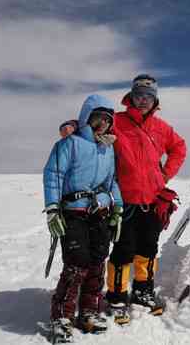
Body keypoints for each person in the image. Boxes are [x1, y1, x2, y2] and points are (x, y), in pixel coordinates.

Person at [59, 74, 187, 325]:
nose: (143, 101)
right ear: (131, 97)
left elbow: (179, 148)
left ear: (155, 100)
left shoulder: (162, 128)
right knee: (123, 250)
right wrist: (72, 125)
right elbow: (93, 123)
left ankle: (142, 293)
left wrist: (164, 174)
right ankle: (116, 297)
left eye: (148, 97)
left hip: (152, 200)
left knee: (148, 249)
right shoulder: (117, 121)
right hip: (123, 201)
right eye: (138, 95)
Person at [43, 94, 124, 342]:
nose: (103, 124)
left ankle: (88, 311)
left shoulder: (108, 148)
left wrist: (117, 209)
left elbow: (112, 182)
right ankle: (62, 317)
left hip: (99, 211)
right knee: (77, 263)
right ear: (87, 118)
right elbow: (53, 174)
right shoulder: (70, 143)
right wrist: (53, 208)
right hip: (73, 212)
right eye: (98, 118)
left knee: (98, 260)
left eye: (107, 120)